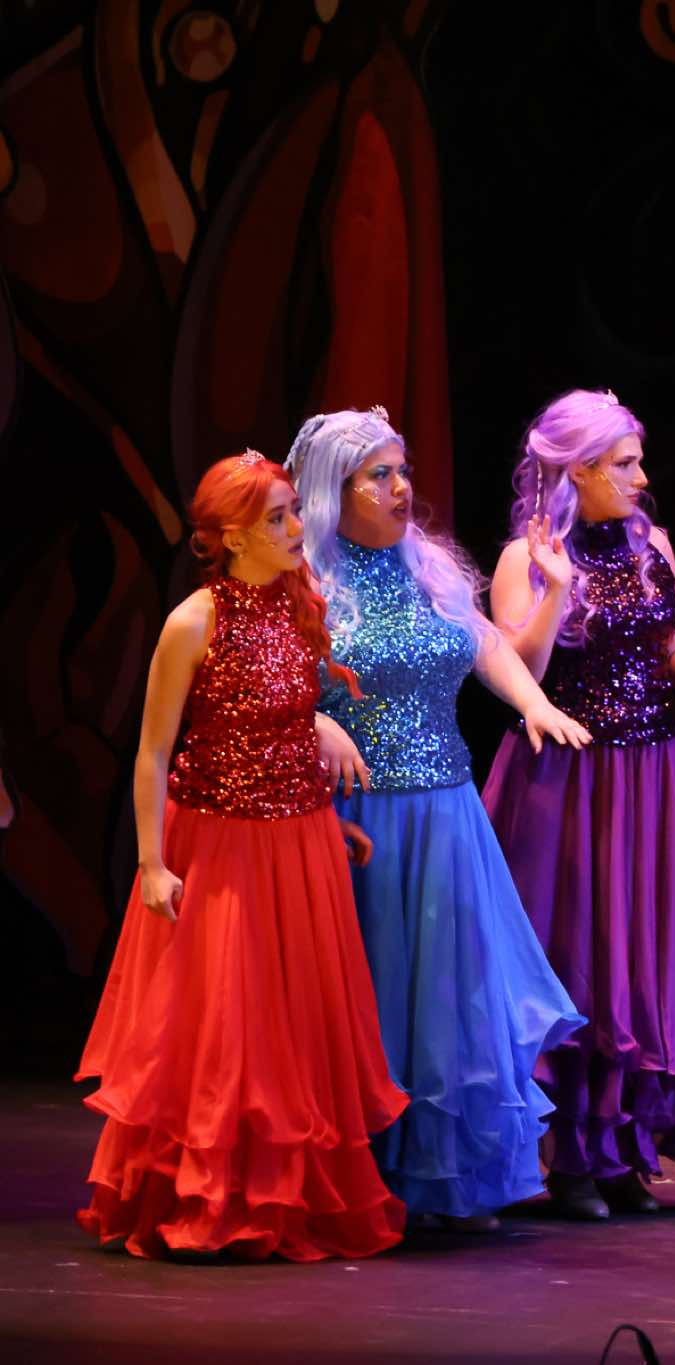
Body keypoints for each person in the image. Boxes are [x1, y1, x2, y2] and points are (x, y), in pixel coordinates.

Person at [77, 452, 407, 1261]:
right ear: (231, 536)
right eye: (277, 518)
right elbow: (153, 751)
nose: (296, 528)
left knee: (287, 1026)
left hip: (299, 842)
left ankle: (284, 1195)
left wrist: (327, 821)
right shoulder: (194, 621)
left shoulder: (297, 606)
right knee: (223, 1026)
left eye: (293, 511)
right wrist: (152, 862)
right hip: (218, 843)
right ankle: (211, 1196)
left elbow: (289, 729)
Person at [286, 407, 590, 1232]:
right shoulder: (304, 581)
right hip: (358, 820)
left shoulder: (425, 567)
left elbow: (486, 644)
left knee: (448, 1000)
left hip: (447, 815)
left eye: (402, 471)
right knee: (375, 994)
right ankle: (367, 1174)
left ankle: (439, 1178)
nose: (401, 487)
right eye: (379, 475)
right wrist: (315, 720)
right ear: (333, 489)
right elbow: (261, 682)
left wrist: (533, 702)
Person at [482, 389, 675, 1220]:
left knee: (642, 958)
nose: (642, 478)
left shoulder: (655, 546)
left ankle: (620, 1155)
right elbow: (520, 673)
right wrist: (555, 591)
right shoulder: (524, 557)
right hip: (568, 782)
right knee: (578, 955)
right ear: (577, 470)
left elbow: (673, 653)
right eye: (625, 463)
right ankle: (570, 1158)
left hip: (654, 774)